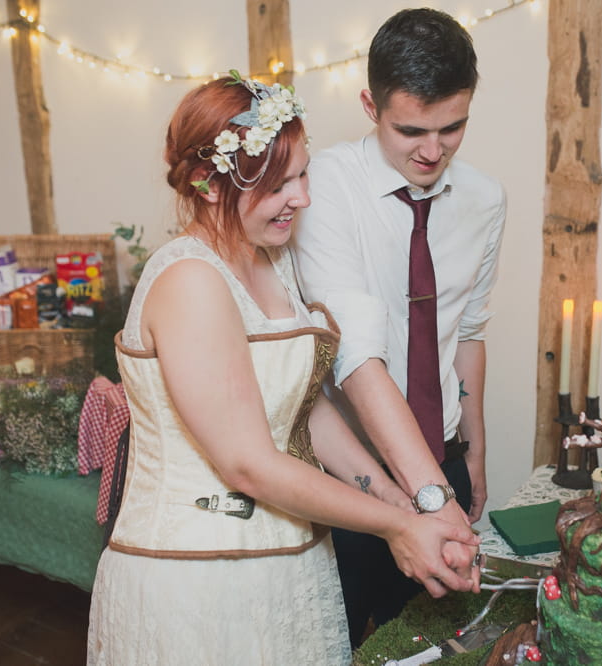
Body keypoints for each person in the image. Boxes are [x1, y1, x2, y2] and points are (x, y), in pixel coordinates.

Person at [86, 72, 480, 665]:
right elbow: (248, 461)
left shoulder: (273, 262)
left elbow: (304, 406)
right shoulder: (189, 280)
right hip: (198, 579)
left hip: (287, 568)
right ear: (207, 184)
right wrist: (392, 528)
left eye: (303, 174)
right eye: (278, 184)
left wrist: (406, 505)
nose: (302, 198)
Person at [292, 8, 507, 646]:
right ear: (369, 104)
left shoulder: (486, 200)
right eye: (411, 129)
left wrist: (474, 453)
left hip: (444, 456)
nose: (432, 151)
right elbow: (354, 357)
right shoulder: (325, 187)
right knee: (356, 644)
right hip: (348, 473)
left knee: (441, 643)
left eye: (453, 127)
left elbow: (468, 331)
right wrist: (422, 499)